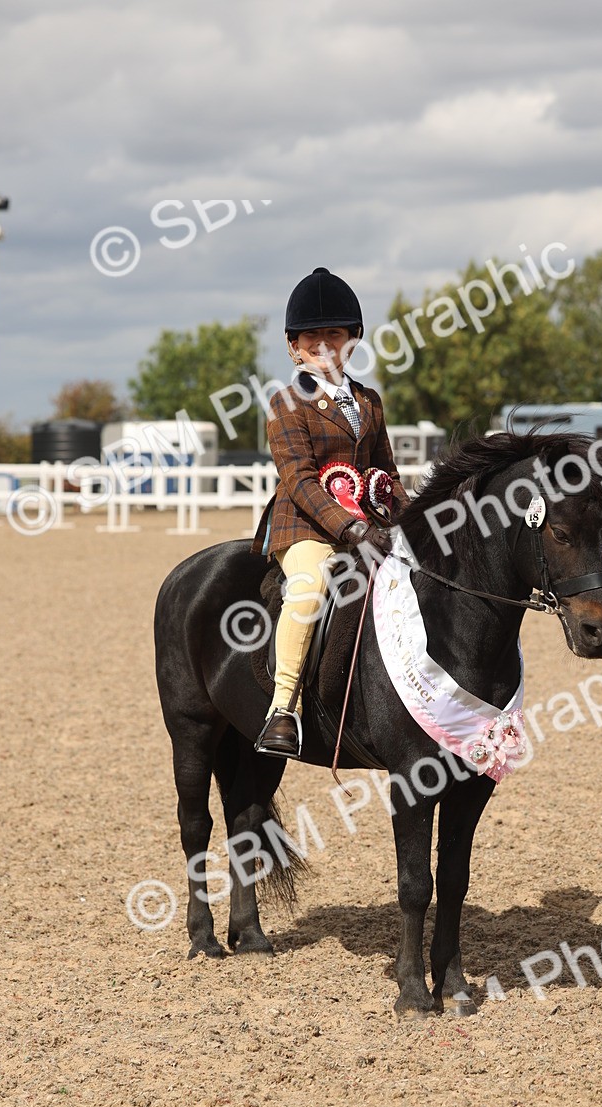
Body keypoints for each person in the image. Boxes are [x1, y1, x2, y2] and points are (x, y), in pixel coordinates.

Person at [251, 266, 409, 757]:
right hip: (305, 526)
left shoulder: (369, 401)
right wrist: (351, 529)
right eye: (312, 338)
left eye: (335, 335)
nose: (324, 345)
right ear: (294, 347)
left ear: (353, 339)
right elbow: (299, 479)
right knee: (308, 588)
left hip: (368, 523)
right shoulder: (285, 403)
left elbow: (386, 472)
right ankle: (283, 709)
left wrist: (414, 519)